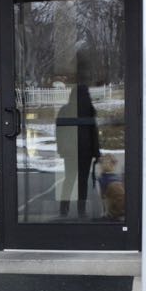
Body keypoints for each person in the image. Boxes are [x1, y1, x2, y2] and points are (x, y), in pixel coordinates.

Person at [55, 83, 100, 218]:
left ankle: (63, 210)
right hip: (85, 151)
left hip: (70, 151)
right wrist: (96, 152)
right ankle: (81, 210)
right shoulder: (90, 110)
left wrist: (61, 149)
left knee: (69, 180)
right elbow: (94, 133)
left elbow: (59, 132)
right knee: (82, 182)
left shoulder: (64, 110)